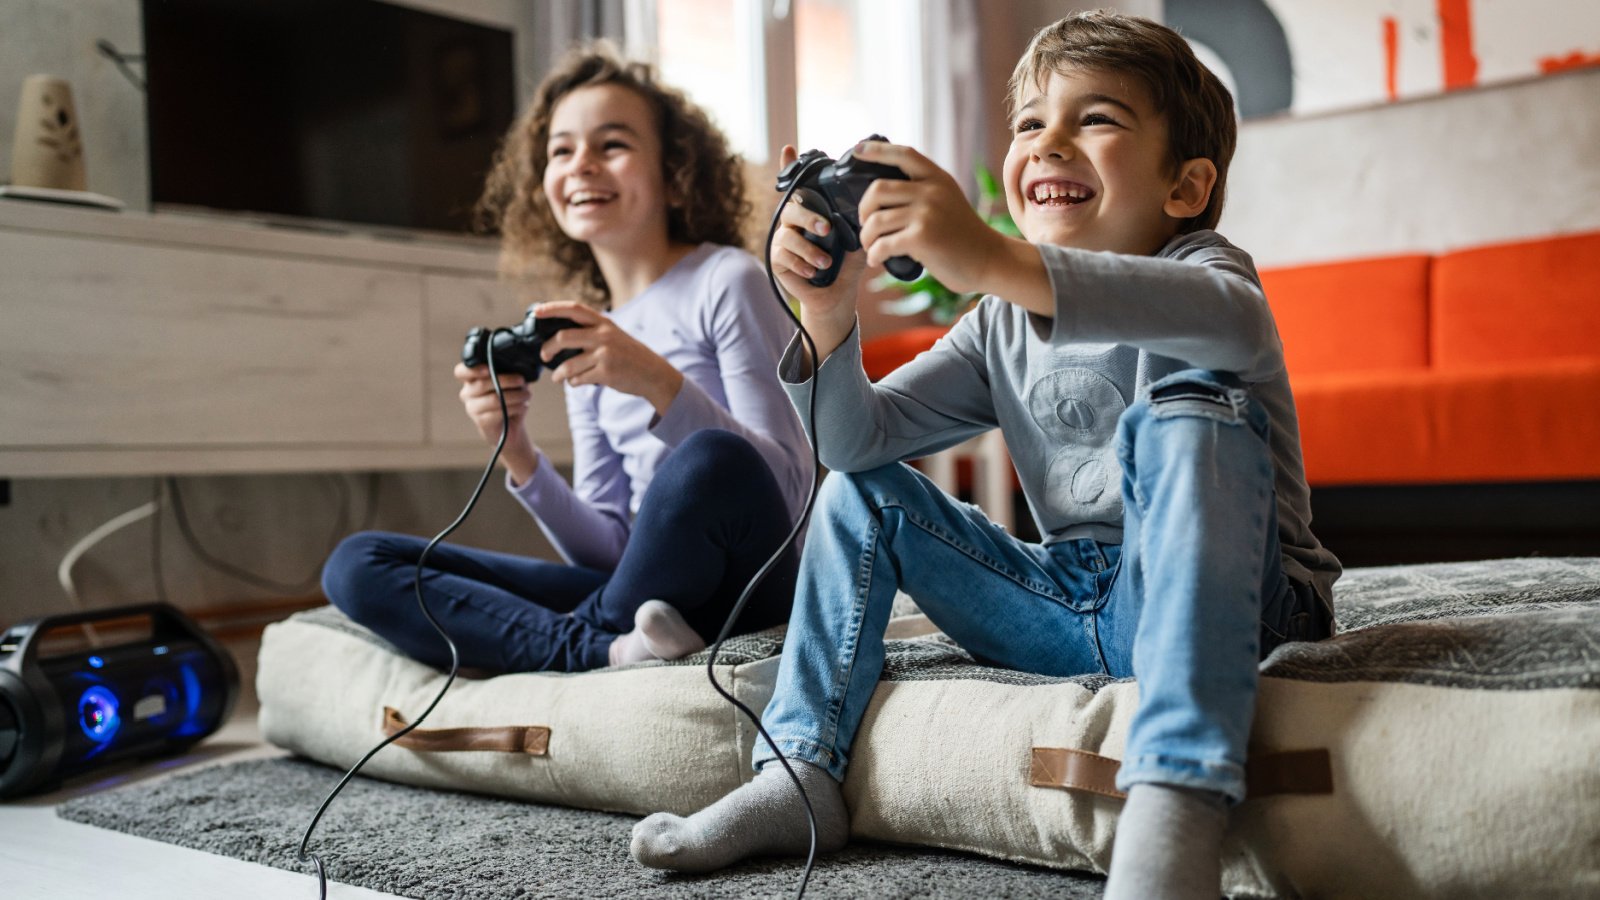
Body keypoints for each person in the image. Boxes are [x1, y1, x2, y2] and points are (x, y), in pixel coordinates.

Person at [630, 11, 1341, 899]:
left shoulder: (1212, 271)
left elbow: (1223, 323)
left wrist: (986, 254)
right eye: (1030, 123)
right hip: (1073, 603)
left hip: (1249, 605)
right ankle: (800, 771)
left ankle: (1177, 799)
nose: (1050, 143)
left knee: (1188, 411)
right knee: (864, 493)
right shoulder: (998, 321)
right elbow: (855, 442)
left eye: (1097, 119)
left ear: (1186, 188)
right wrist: (829, 313)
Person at [321, 45, 810, 675]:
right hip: (640, 600)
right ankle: (605, 651)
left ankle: (570, 643)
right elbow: (605, 552)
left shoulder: (727, 279)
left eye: (611, 144)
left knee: (710, 460)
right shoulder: (586, 328)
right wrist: (517, 450)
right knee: (359, 564)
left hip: (748, 586)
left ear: (674, 168)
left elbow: (789, 490)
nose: (581, 165)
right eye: (561, 150)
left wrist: (658, 383)